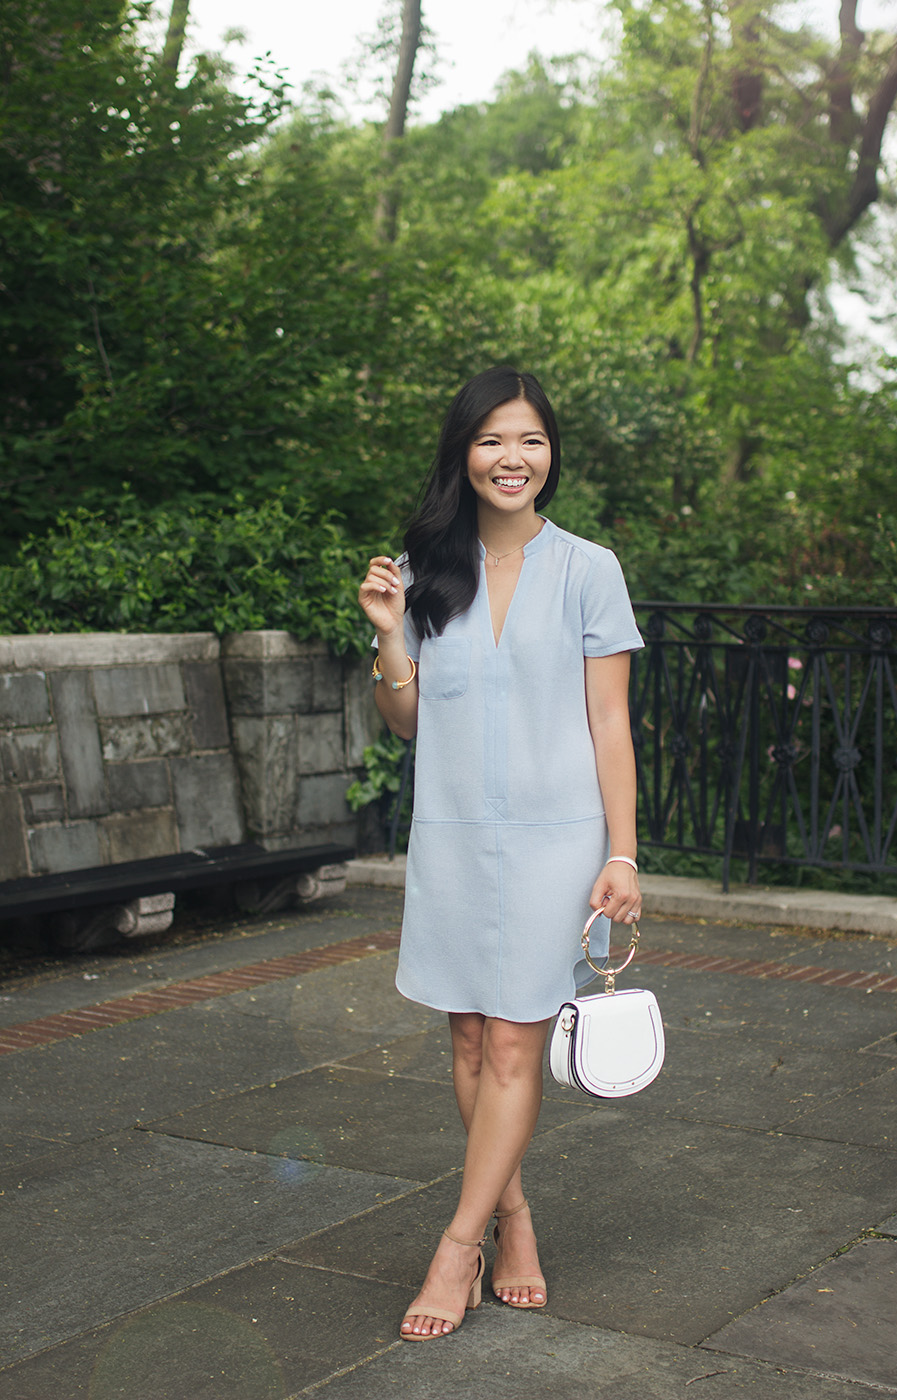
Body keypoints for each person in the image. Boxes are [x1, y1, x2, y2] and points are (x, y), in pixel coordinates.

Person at [358, 366, 643, 1341]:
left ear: (549, 453)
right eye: (491, 440)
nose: (510, 458)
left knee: (518, 1037)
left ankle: (455, 1241)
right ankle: (512, 1215)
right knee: (472, 1039)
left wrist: (625, 854)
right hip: (451, 838)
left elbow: (610, 721)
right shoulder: (423, 565)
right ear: (463, 453)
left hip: (558, 842)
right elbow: (402, 719)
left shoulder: (589, 568)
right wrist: (392, 635)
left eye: (528, 439)